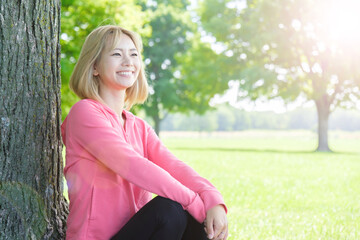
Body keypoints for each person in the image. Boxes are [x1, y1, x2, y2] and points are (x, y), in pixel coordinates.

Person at [61, 25, 228, 240]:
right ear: (95, 67)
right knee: (169, 210)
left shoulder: (138, 126)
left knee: (183, 212)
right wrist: (195, 203)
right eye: (116, 54)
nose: (128, 62)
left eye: (133, 54)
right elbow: (134, 166)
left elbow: (174, 167)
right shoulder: (84, 113)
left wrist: (212, 198)